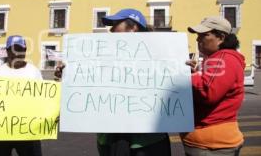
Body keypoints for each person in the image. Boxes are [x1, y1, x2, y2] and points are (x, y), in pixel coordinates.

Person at [98, 9, 171, 156]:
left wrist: (185, 71)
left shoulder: (161, 56)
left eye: (115, 24)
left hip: (147, 140)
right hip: (111, 137)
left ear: (133, 28)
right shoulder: (102, 53)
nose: (111, 29)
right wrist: (68, 73)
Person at [182, 16, 245, 156]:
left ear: (221, 38)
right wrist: (196, 73)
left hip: (212, 146)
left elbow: (207, 91)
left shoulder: (223, 58)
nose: (198, 40)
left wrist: (184, 76)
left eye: (204, 35)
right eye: (198, 36)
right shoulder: (217, 59)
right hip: (210, 144)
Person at [0, 35, 43, 156]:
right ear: (7, 51)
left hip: (28, 131)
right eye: (13, 50)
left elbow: (44, 98)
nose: (16, 53)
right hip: (1, 131)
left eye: (20, 49)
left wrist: (51, 113)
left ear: (25, 51)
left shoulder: (34, 72)